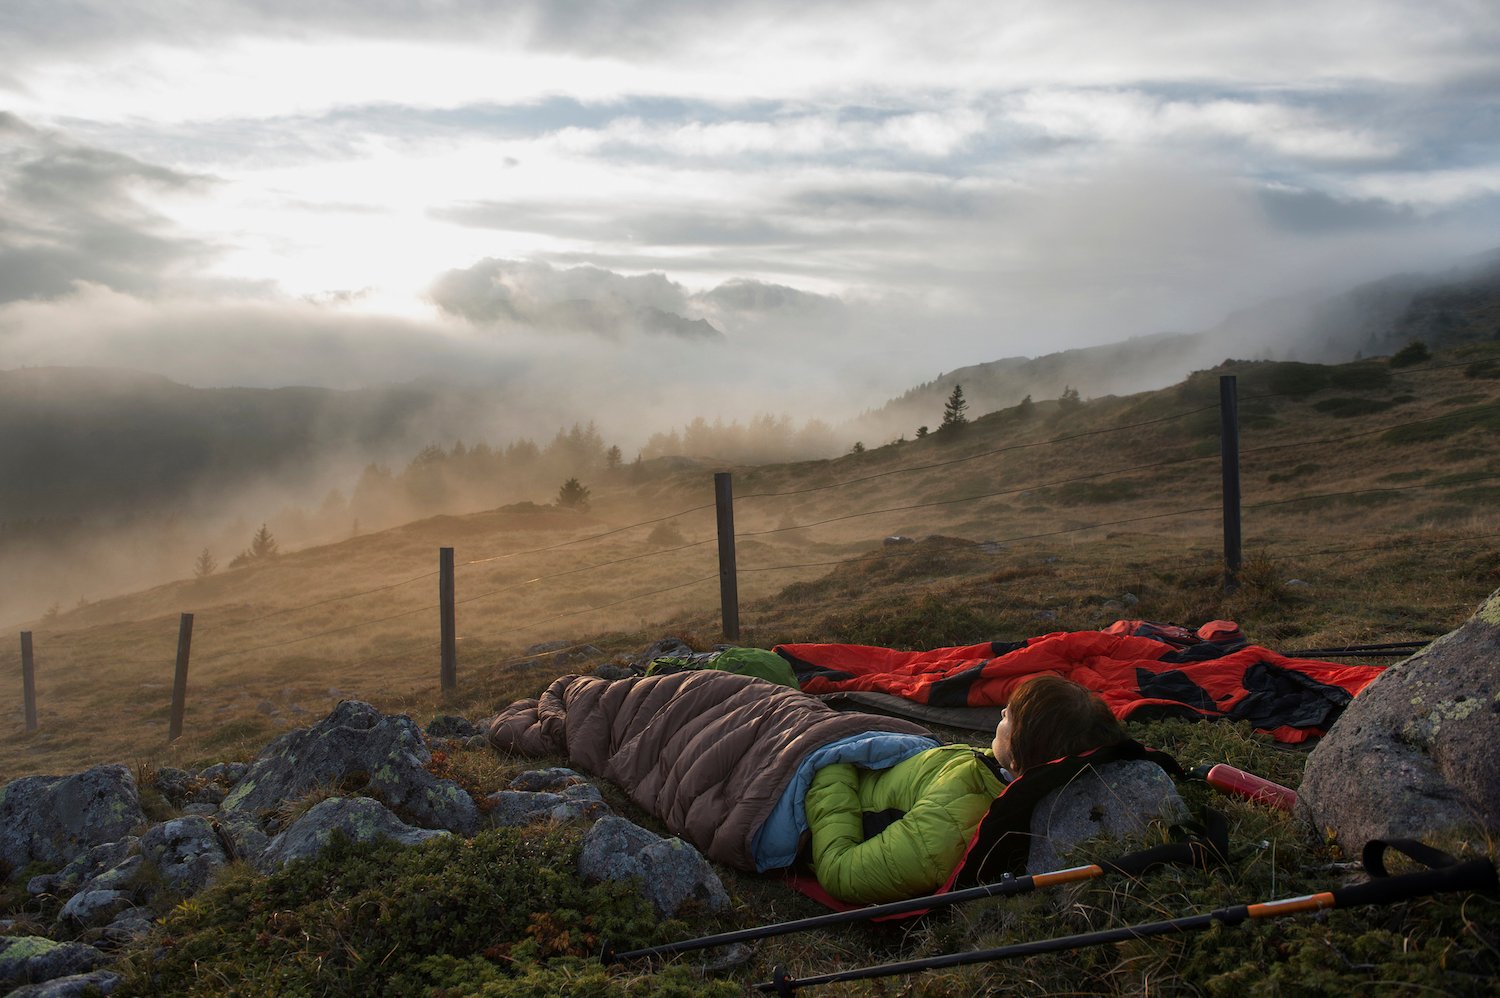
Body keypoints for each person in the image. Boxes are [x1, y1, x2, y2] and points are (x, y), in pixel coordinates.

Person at [804, 672, 1128, 904]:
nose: (1001, 712)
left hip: (816, 798)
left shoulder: (949, 827)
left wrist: (833, 767)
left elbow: (840, 872)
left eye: (1010, 716)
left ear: (1018, 755)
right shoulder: (994, 774)